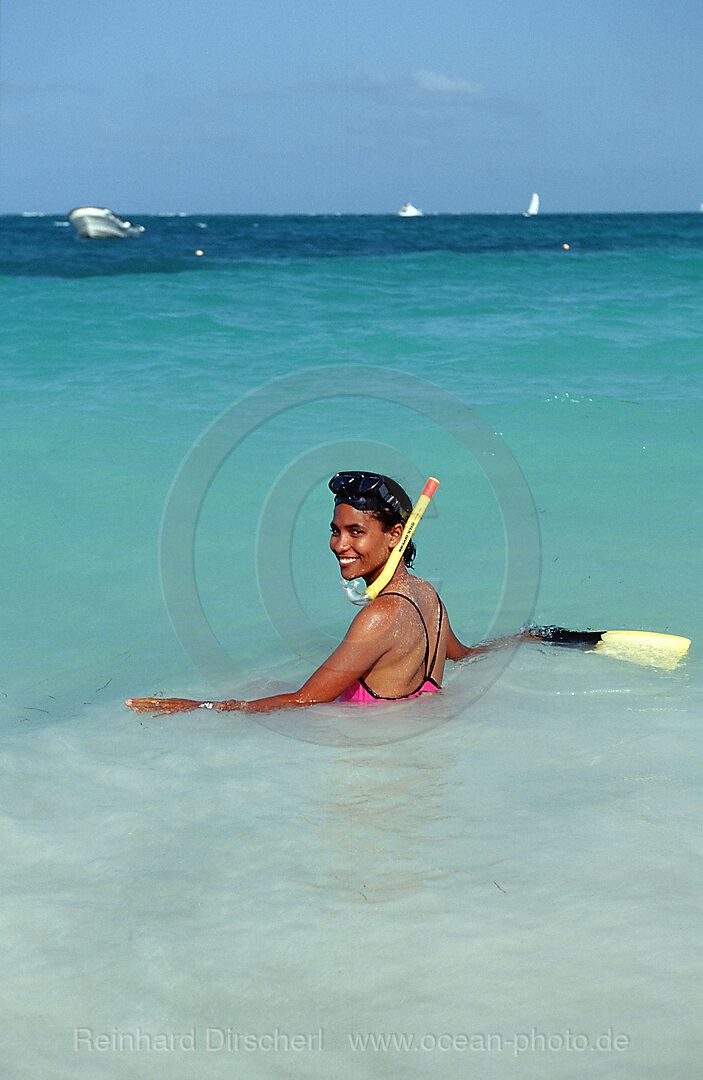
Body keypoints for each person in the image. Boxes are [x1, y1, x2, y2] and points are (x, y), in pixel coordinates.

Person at [125, 472, 488, 716]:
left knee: (262, 691)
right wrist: (526, 637)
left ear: (395, 535)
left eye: (355, 531)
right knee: (262, 681)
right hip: (410, 756)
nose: (339, 544)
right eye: (335, 530)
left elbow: (305, 701)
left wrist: (199, 708)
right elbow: (466, 655)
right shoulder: (427, 596)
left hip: (371, 766)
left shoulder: (380, 616)